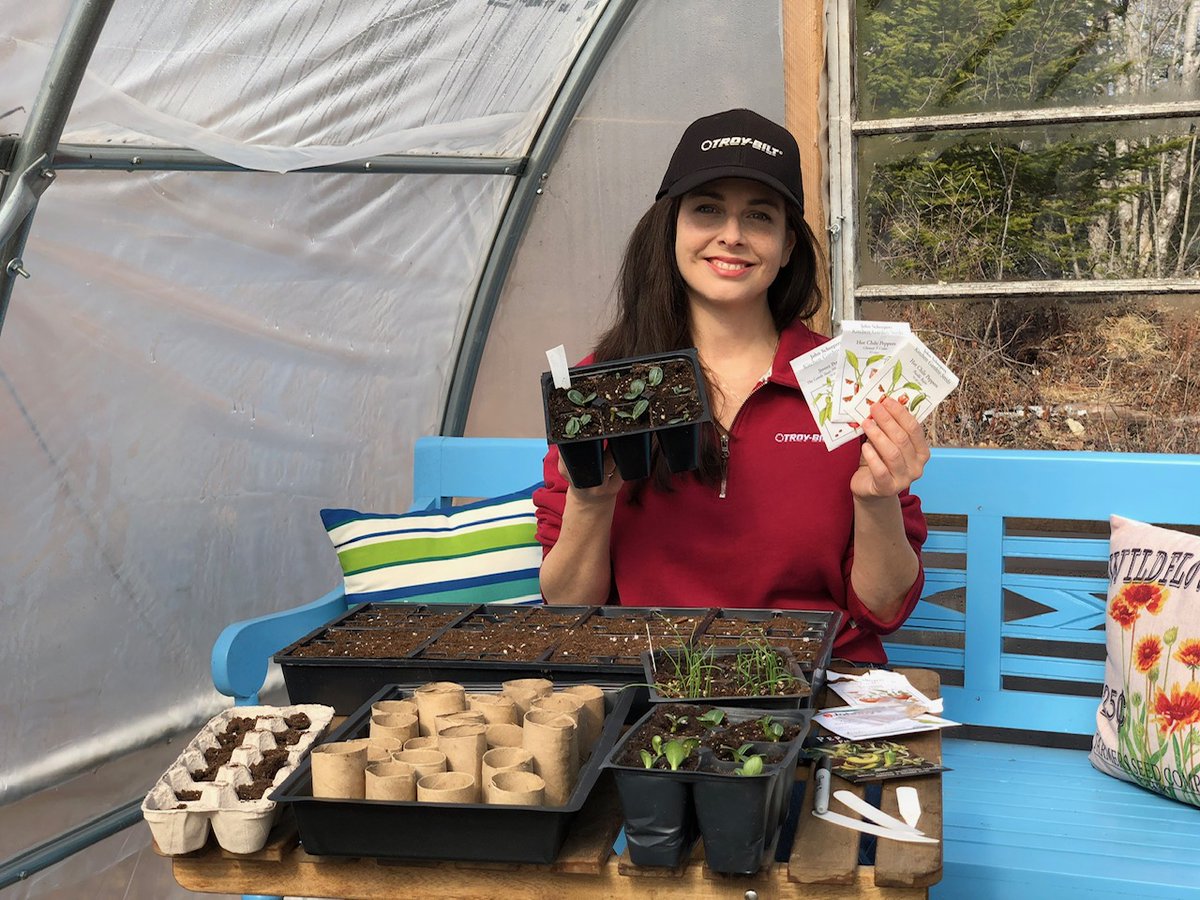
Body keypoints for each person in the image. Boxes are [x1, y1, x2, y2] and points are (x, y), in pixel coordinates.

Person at [533, 109, 928, 664]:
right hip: (654, 690)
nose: (732, 235)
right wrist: (592, 501)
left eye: (760, 217)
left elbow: (882, 608)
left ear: (788, 246)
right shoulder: (606, 385)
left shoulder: (848, 381)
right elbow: (570, 609)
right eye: (707, 209)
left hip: (816, 688)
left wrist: (877, 499)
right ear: (670, 229)